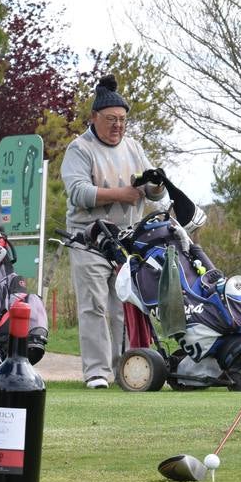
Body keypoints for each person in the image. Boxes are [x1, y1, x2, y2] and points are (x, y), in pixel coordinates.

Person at [61, 75, 165, 389]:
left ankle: (124, 369)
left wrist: (156, 187)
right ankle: (96, 372)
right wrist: (122, 193)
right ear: (94, 118)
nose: (117, 125)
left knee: (125, 306)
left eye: (122, 120)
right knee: (93, 305)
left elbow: (153, 192)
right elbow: (79, 192)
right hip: (88, 239)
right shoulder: (79, 149)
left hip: (127, 241)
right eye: (111, 119)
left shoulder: (134, 147)